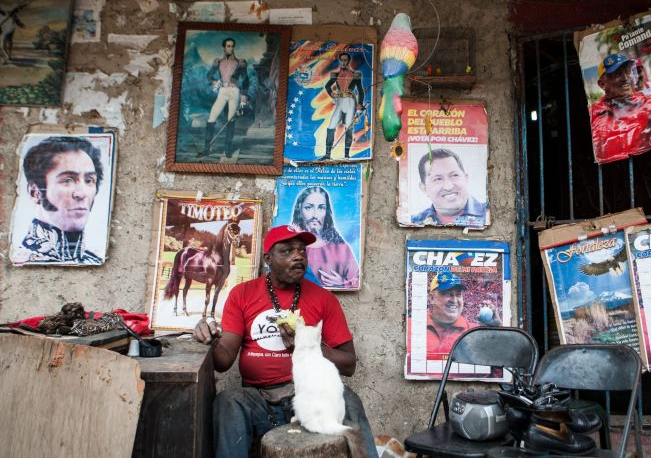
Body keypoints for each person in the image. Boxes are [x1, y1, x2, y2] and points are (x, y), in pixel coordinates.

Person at [192, 225, 377, 458]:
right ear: (268, 259)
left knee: (349, 399)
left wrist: (309, 348)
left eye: (302, 250)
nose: (298, 255)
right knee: (228, 401)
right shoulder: (242, 294)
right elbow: (224, 360)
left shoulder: (323, 299)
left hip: (310, 396)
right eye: (288, 251)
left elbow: (349, 365)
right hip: (258, 397)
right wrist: (210, 338)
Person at [12, 136, 104, 265]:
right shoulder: (17, 262)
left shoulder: (96, 261)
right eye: (67, 180)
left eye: (89, 180)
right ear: (35, 192)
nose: (82, 193)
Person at [290, 186, 359, 289]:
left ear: (327, 212)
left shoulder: (341, 248)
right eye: (308, 207)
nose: (315, 215)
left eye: (321, 207)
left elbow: (357, 280)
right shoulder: (289, 244)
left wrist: (342, 283)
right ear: (299, 210)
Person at [425, 272, 500, 359]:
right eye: (447, 294)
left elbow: (497, 363)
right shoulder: (412, 326)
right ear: (431, 298)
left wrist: (496, 328)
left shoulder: (475, 331)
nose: (454, 300)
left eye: (458, 295)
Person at [411, 148, 488, 227]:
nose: (448, 187)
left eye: (454, 175)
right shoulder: (413, 223)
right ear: (424, 189)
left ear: (466, 178)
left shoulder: (490, 214)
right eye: (438, 179)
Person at [203, 37, 250, 158]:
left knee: (231, 119)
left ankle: (228, 150)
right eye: (228, 46)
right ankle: (207, 149)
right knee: (211, 117)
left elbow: (245, 80)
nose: (230, 48)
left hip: (234, 91)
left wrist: (243, 99)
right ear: (224, 47)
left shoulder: (240, 63)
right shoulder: (218, 62)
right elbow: (209, 76)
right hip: (222, 91)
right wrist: (214, 82)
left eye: (232, 46)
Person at [321, 52, 365, 160]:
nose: (344, 62)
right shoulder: (335, 75)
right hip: (339, 102)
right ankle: (327, 154)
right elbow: (327, 86)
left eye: (346, 60)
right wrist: (333, 95)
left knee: (348, 128)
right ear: (340, 61)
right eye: (342, 60)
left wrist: (360, 104)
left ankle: (346, 155)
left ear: (348, 61)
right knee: (331, 126)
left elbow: (360, 90)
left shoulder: (356, 74)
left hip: (350, 102)